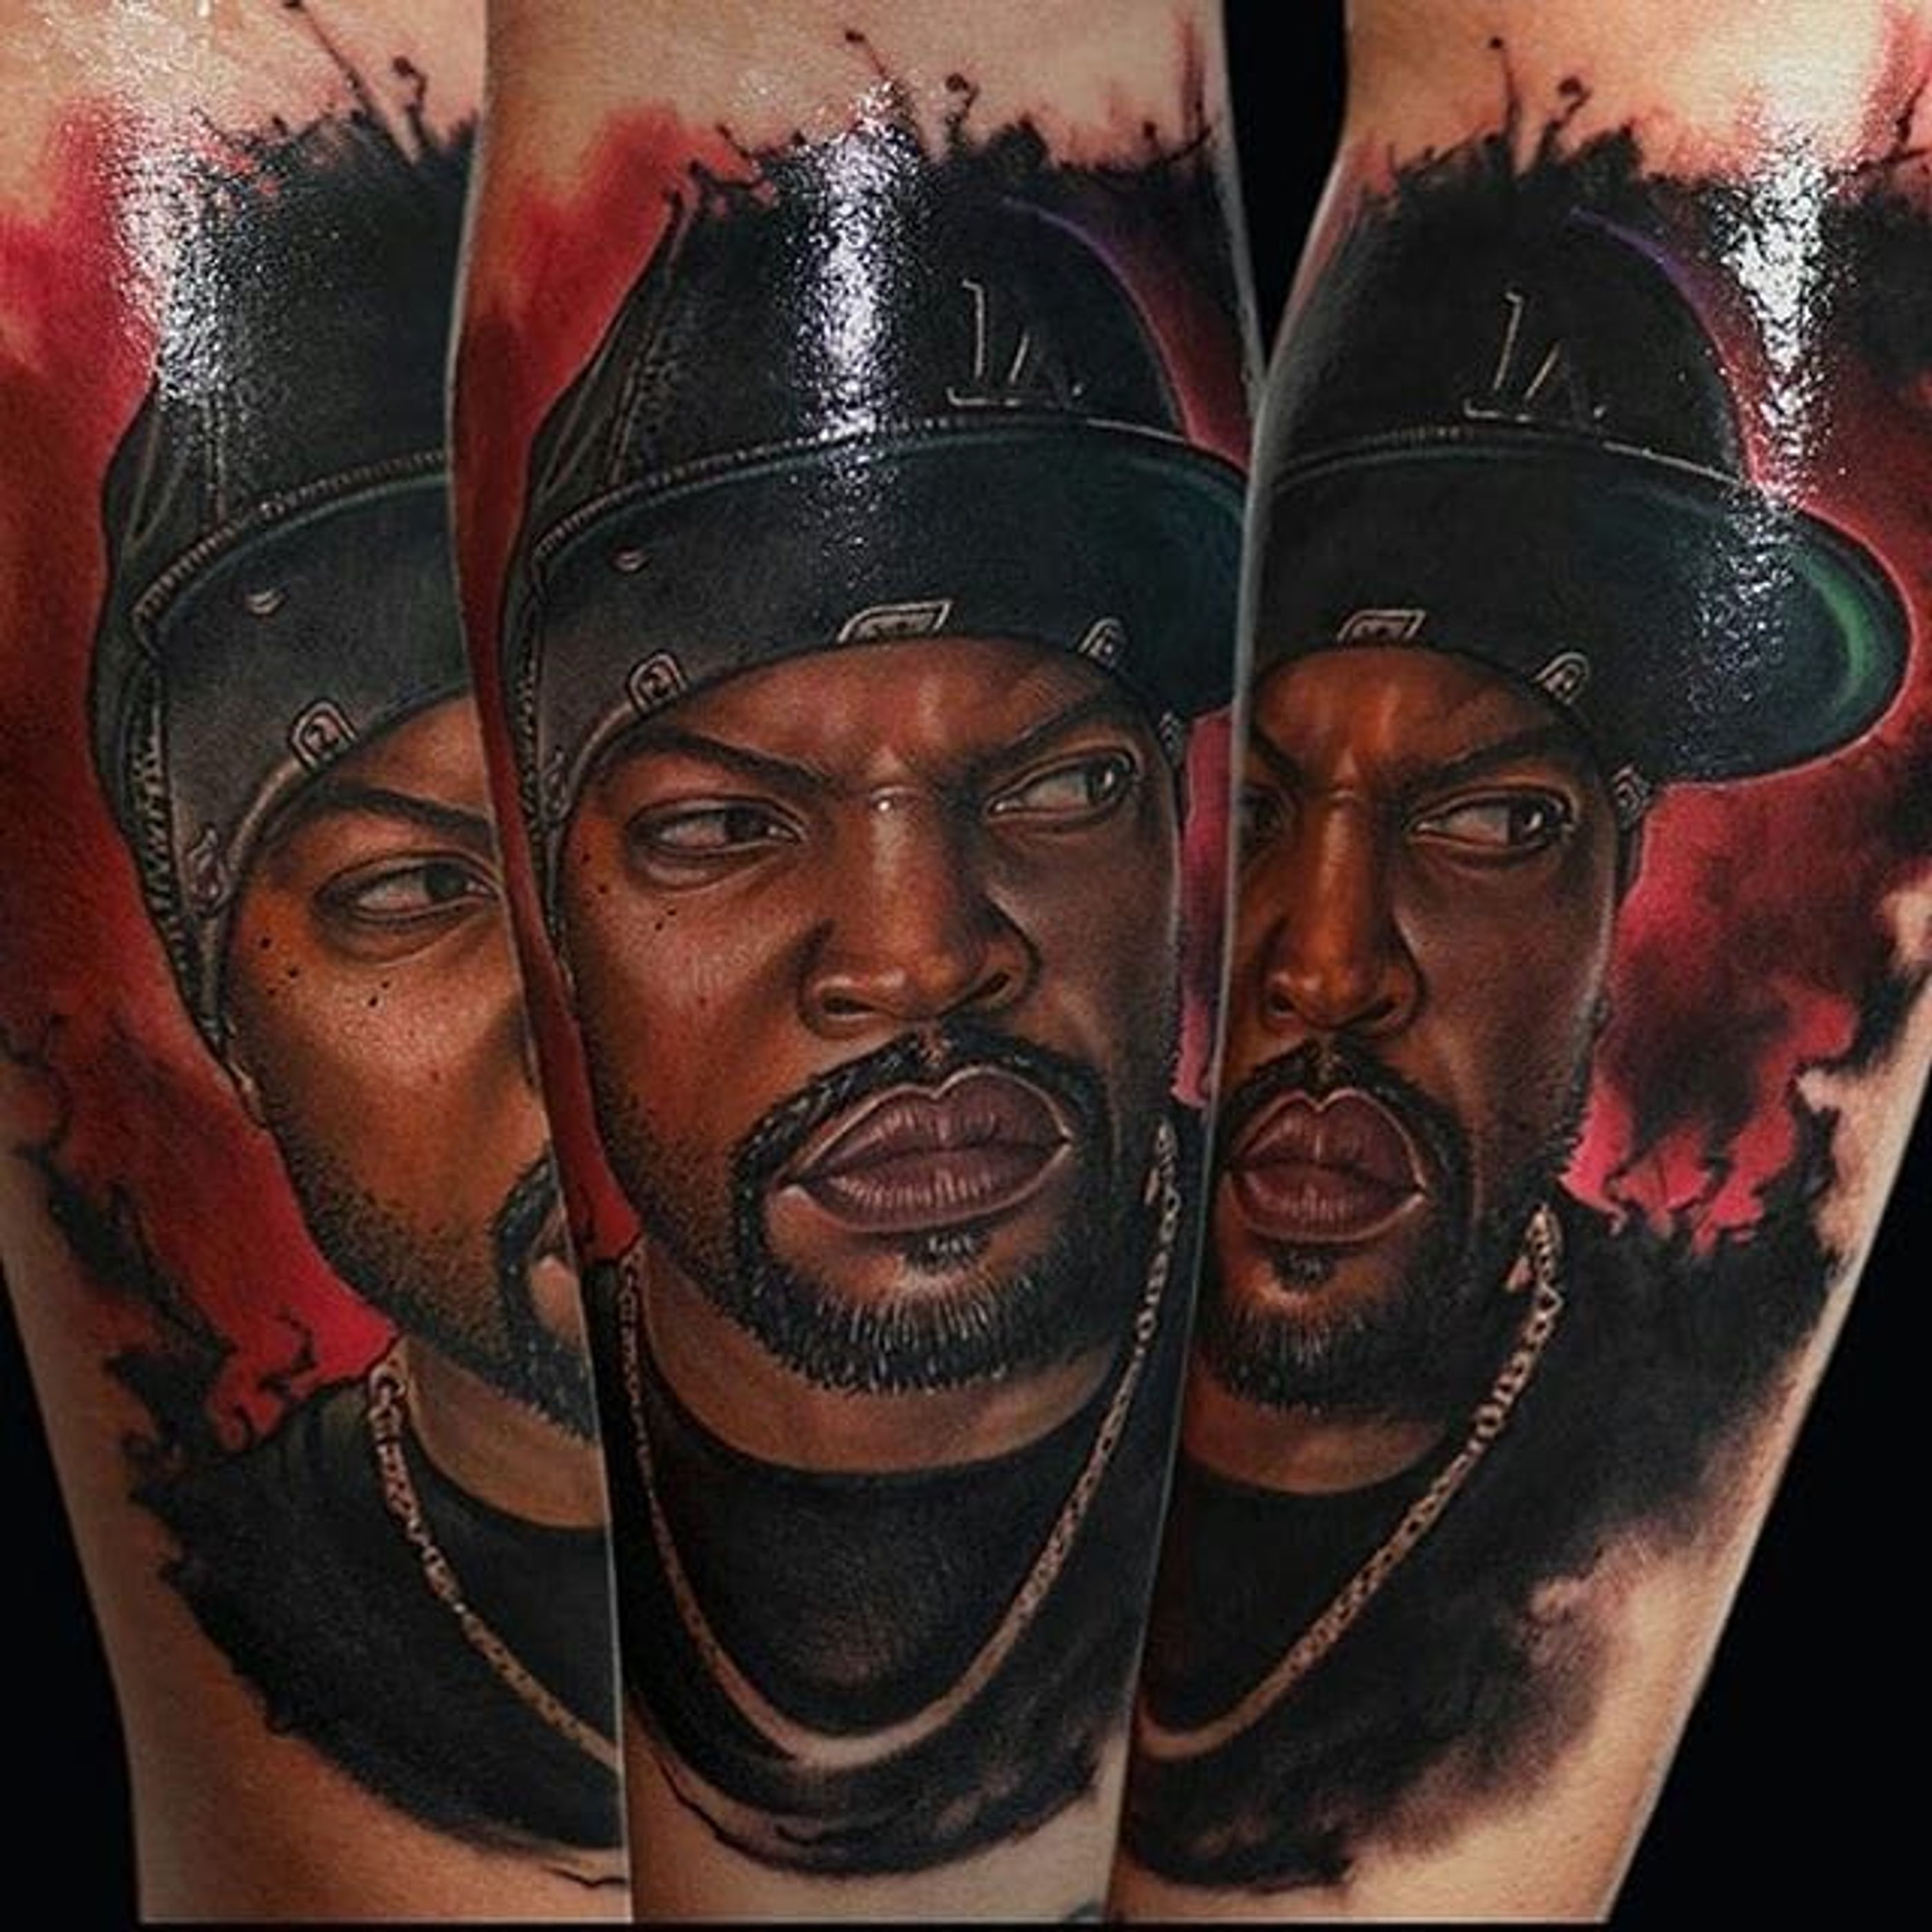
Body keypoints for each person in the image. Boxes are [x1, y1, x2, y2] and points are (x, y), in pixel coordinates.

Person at [1123, 186, 1910, 1889]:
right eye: (1256, 812)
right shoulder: (980, 1310)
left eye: (1485, 825)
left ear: (1616, 876)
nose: (1327, 965)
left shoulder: (1662, 1443)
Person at [498, 105, 1245, 1873]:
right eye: (721, 826)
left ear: (1175, 828)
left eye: (1059, 786)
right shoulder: (355, 1545)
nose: (920, 955)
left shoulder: (1476, 1421)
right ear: (548, 911)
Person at [86, 101, 622, 1870]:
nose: (584, 1030)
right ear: (228, 1022)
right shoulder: (253, 1595)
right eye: (412, 891)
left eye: (697, 833)